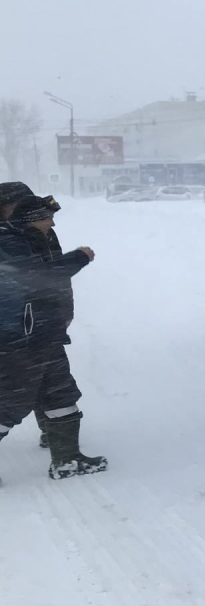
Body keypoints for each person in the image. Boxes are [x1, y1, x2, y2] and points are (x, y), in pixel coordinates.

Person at [0, 194, 106, 479]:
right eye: (47, 216)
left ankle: (67, 460)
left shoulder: (34, 238)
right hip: (18, 339)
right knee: (8, 404)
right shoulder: (8, 243)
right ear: (32, 219)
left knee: (60, 393)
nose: (52, 221)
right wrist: (79, 258)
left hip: (43, 334)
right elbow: (38, 277)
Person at [0, 182, 63, 449]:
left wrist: (63, 311)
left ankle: (61, 444)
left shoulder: (41, 233)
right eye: (13, 206)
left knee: (56, 384)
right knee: (14, 395)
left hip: (41, 322)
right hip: (15, 331)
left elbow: (57, 275)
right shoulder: (8, 239)